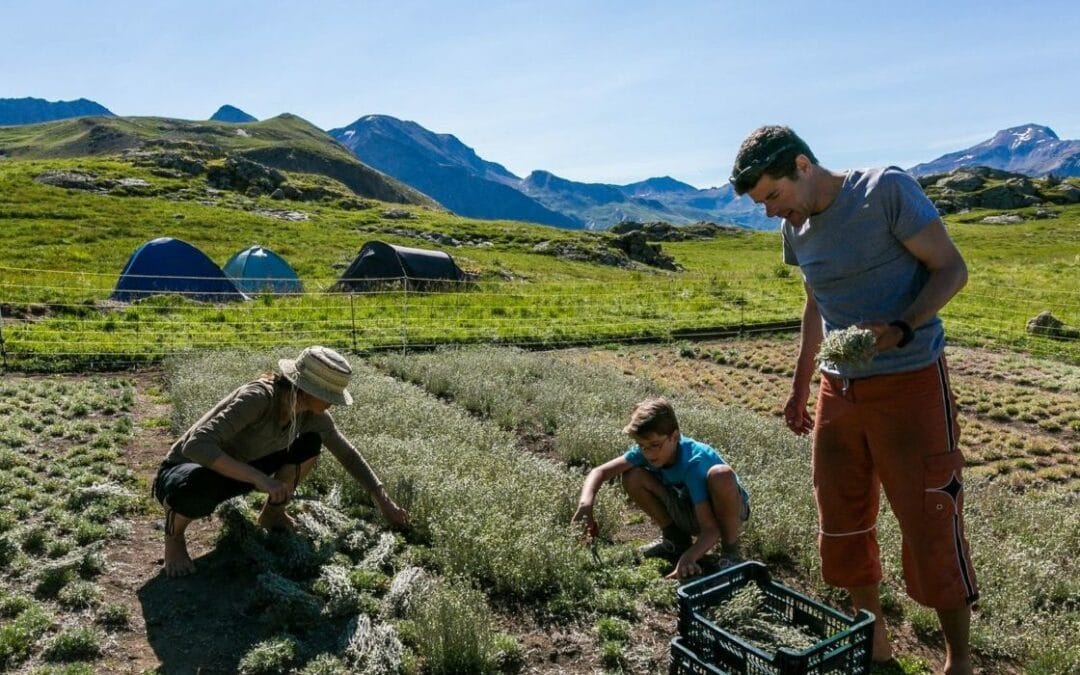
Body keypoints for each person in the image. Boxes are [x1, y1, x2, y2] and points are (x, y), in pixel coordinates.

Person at [730, 125, 977, 674]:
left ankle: (958, 661)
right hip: (837, 388)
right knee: (841, 519)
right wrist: (800, 385)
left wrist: (901, 327)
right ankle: (878, 649)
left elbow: (951, 269)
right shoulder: (797, 229)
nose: (770, 212)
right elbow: (815, 304)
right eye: (759, 204)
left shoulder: (884, 191)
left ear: (802, 165)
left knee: (930, 516)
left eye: (773, 195)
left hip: (910, 381)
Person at [152, 345, 409, 578]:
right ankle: (174, 538)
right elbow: (196, 446)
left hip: (243, 470)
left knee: (309, 445)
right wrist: (259, 478)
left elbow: (348, 455)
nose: (333, 402)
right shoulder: (259, 398)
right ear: (306, 389)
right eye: (329, 394)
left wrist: (382, 500)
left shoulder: (311, 415)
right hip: (188, 470)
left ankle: (272, 514)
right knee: (193, 491)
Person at [572, 398, 749, 580]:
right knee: (633, 475)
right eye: (643, 446)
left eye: (655, 445)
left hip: (727, 511)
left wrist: (688, 559)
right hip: (691, 507)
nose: (649, 453)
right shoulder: (648, 451)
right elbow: (599, 472)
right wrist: (585, 505)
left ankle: (731, 553)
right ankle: (676, 540)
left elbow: (711, 529)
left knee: (721, 475)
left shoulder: (693, 462)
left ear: (674, 437)